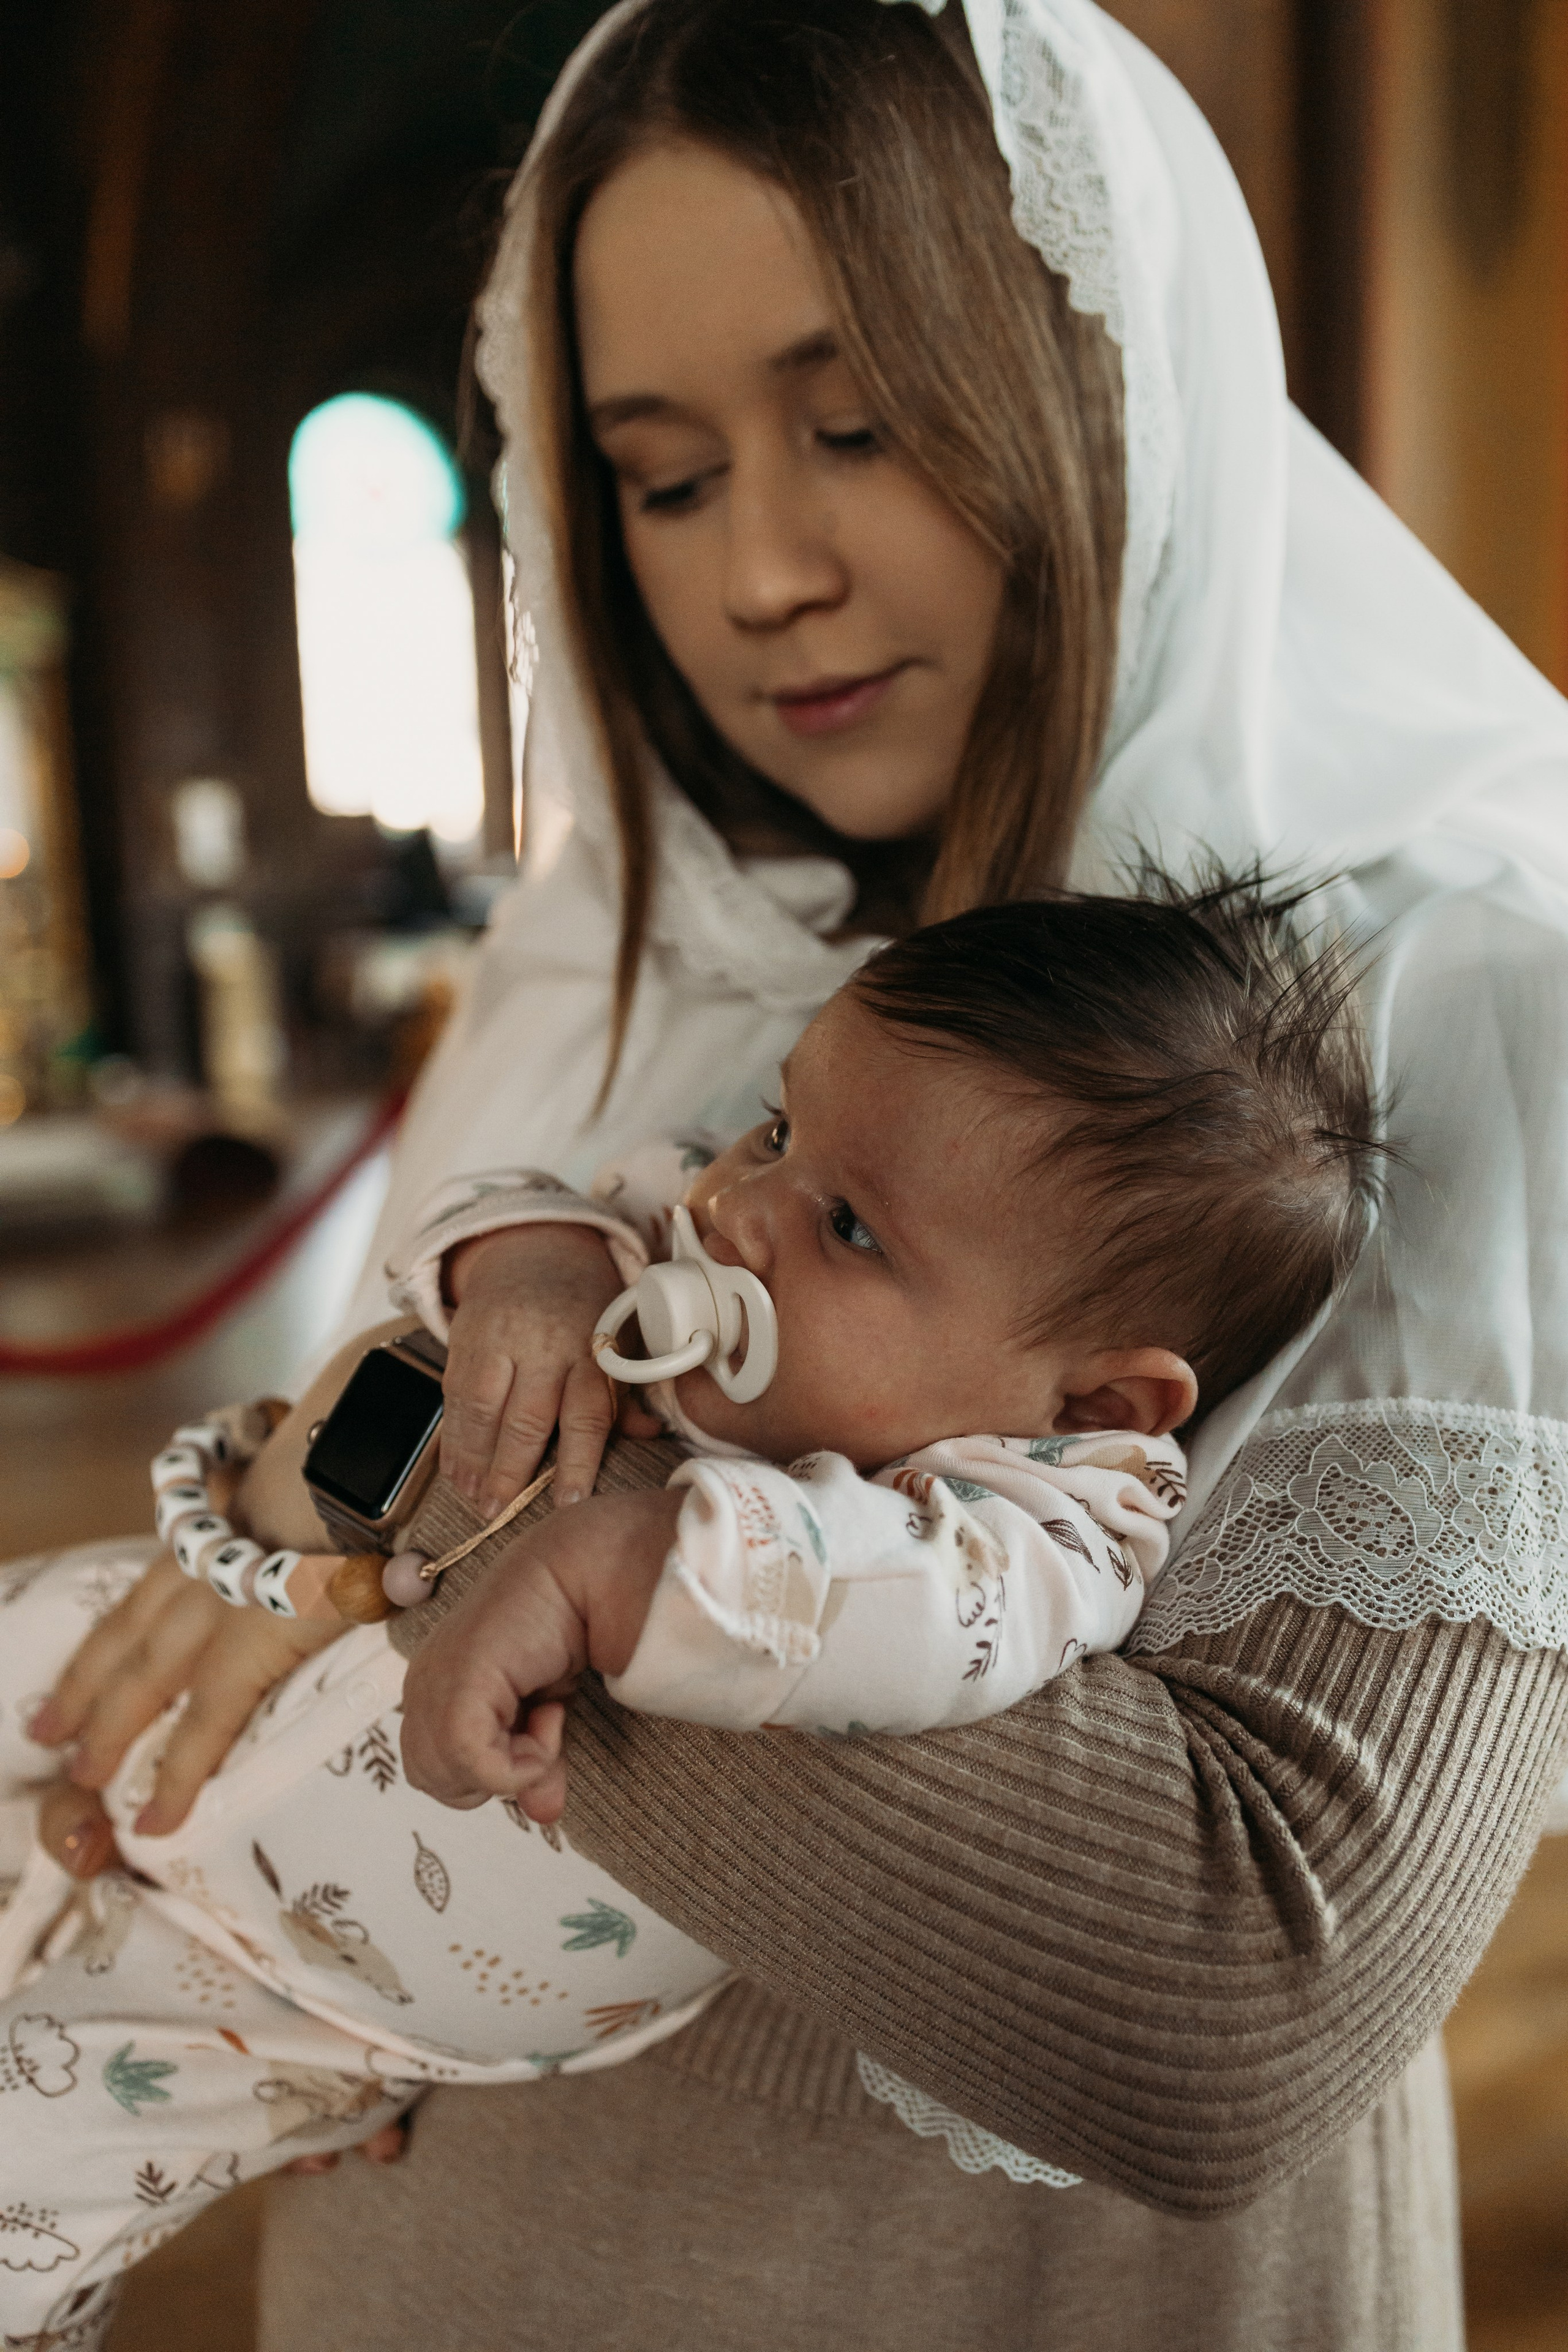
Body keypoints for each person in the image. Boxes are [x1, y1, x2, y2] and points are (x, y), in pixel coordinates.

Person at [10, 0, 1568, 2345]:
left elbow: (1225, 1992)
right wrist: (280, 1533)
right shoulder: (631, 934)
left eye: (858, 427)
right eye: (660, 474)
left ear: (1103, 378)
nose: (759, 577)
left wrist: (447, 1524)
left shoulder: (1453, 995)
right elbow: (353, 1444)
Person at [0, 876, 1382, 2339]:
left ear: (1092, 1399)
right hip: (212, 1647)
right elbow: (520, 1196)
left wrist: (624, 1566)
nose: (736, 1205)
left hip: (309, 1989)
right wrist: (528, 1264)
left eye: (848, 1226)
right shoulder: (689, 1224)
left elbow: (916, 1614)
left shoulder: (1043, 1522)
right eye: (779, 1128)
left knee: (37, 2165)